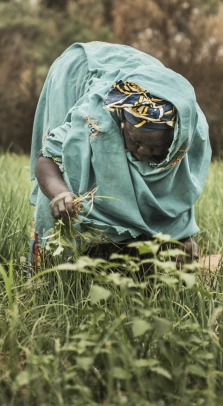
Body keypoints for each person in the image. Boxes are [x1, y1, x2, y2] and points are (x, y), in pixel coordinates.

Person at [29, 42, 211, 273]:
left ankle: (130, 257)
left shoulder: (190, 133)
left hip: (149, 76)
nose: (143, 151)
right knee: (74, 167)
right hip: (76, 70)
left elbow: (178, 187)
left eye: (155, 147)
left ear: (176, 141)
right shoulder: (94, 121)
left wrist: (181, 237)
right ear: (122, 123)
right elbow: (46, 158)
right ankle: (61, 264)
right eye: (135, 140)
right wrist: (60, 194)